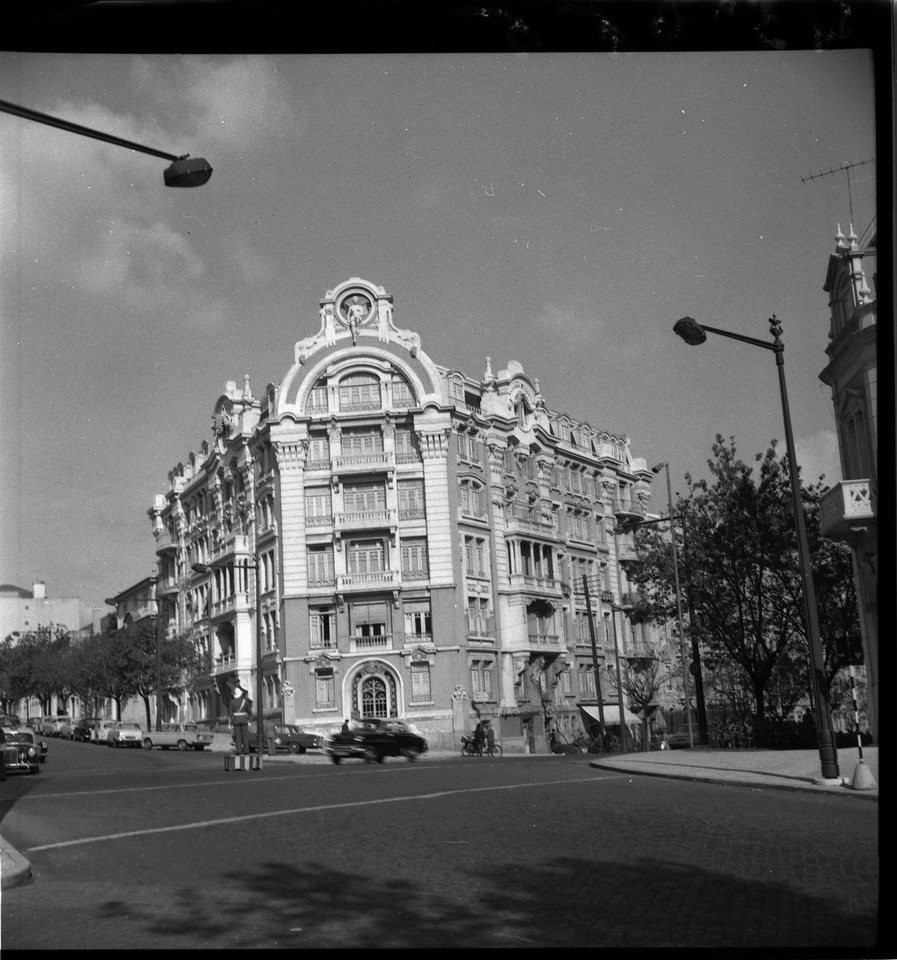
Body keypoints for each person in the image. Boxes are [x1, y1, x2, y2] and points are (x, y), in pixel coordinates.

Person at [227, 682, 253, 755]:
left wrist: (229, 723)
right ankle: (246, 750)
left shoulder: (232, 702)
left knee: (238, 736)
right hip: (244, 720)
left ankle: (238, 751)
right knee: (245, 736)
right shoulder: (245, 701)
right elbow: (249, 712)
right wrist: (250, 721)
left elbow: (230, 713)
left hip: (236, 720)